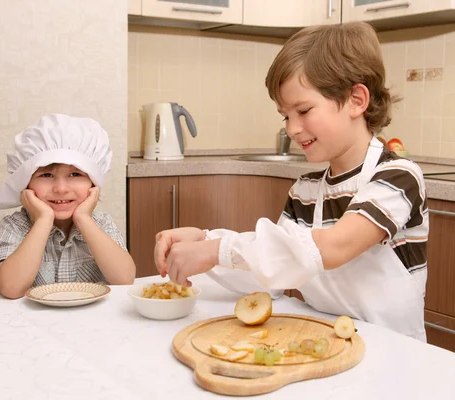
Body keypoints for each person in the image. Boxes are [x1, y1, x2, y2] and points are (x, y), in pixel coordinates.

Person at [153, 22, 428, 341]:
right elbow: (275, 272)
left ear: (356, 100)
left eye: (303, 110)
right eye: (286, 115)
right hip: (323, 343)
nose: (292, 128)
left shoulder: (397, 177)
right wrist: (204, 239)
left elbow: (334, 246)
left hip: (391, 353)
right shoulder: (306, 190)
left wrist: (218, 249)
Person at [0, 114, 136, 299]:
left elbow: (124, 279)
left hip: (91, 323)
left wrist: (83, 219)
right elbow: (11, 289)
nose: (60, 188)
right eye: (46, 175)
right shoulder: (15, 226)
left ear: (93, 184)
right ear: (26, 184)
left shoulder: (101, 223)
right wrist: (43, 219)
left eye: (75, 174)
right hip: (32, 324)